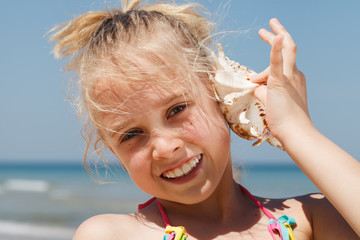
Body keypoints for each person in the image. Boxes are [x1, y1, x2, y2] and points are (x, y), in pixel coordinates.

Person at [49, 0, 360, 239]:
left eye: (176, 110)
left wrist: (296, 131)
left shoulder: (312, 218)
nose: (165, 147)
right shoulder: (112, 234)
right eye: (131, 135)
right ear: (112, 149)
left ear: (218, 91)